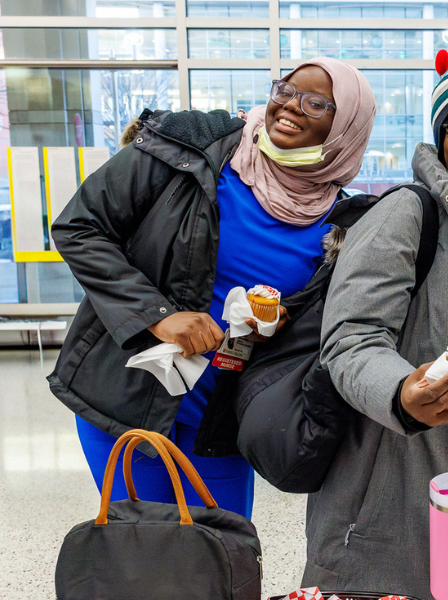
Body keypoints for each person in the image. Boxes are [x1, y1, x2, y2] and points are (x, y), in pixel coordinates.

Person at [48, 57, 376, 520]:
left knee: (221, 551)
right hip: (128, 398)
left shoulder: (343, 223)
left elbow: (321, 330)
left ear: (347, 127)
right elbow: (80, 228)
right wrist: (159, 316)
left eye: (316, 103)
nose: (290, 106)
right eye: (285, 91)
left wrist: (283, 323)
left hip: (220, 420)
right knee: (141, 549)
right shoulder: (189, 150)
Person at [306, 67, 448, 600]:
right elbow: (351, 336)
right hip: (407, 480)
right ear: (440, 133)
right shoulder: (407, 211)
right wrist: (402, 392)